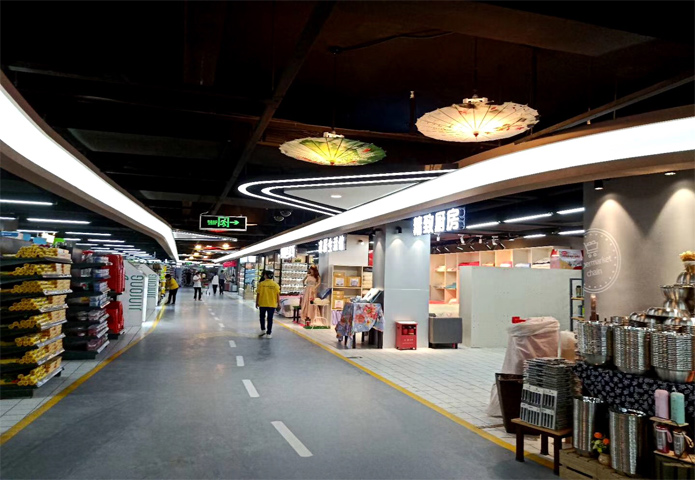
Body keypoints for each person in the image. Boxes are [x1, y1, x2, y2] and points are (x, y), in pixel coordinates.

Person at [256, 270, 280, 339]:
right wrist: (278, 303)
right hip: (272, 304)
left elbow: (258, 294)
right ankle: (269, 333)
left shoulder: (261, 284)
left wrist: (257, 302)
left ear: (265, 276)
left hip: (262, 303)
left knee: (262, 317)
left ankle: (263, 330)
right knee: (270, 319)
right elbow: (277, 295)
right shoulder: (275, 285)